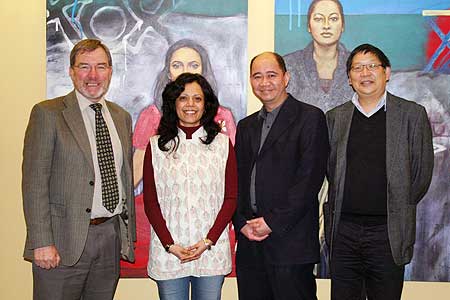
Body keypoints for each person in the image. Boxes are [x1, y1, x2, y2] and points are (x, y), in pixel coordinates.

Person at [22, 39, 136, 300]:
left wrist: (124, 238)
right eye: (84, 67)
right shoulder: (48, 114)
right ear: (71, 72)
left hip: (109, 238)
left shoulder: (121, 117)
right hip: (61, 242)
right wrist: (41, 242)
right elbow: (34, 183)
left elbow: (123, 179)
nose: (93, 75)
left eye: (101, 67)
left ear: (110, 71)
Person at [325, 43, 434, 300]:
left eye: (372, 66)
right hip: (344, 231)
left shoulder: (411, 115)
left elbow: (421, 174)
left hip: (387, 232)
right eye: (358, 68)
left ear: (387, 72)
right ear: (350, 78)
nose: (365, 73)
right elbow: (331, 170)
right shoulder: (335, 118)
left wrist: (397, 205)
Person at [233, 52, 329, 300]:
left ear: (286, 78)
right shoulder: (246, 126)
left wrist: (271, 222)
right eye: (257, 76)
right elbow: (237, 180)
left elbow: (308, 181)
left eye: (272, 75)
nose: (264, 82)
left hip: (291, 244)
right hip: (250, 243)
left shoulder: (310, 118)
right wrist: (241, 222)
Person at [143, 72, 237, 299]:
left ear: (206, 105)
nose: (190, 105)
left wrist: (208, 241)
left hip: (210, 251)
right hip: (170, 252)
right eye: (183, 98)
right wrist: (169, 244)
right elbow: (151, 202)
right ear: (173, 103)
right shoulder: (156, 146)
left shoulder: (222, 144)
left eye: (197, 98)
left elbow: (231, 198)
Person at [133, 39, 236, 187]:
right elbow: (137, 169)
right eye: (177, 65)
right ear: (168, 72)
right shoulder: (151, 115)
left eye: (194, 65)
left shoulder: (223, 116)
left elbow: (230, 172)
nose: (185, 71)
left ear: (203, 70)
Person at [284, 0, 353, 112]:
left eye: (333, 19)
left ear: (342, 26)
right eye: (318, 19)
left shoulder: (356, 65)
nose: (326, 25)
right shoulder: (288, 64)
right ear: (309, 26)